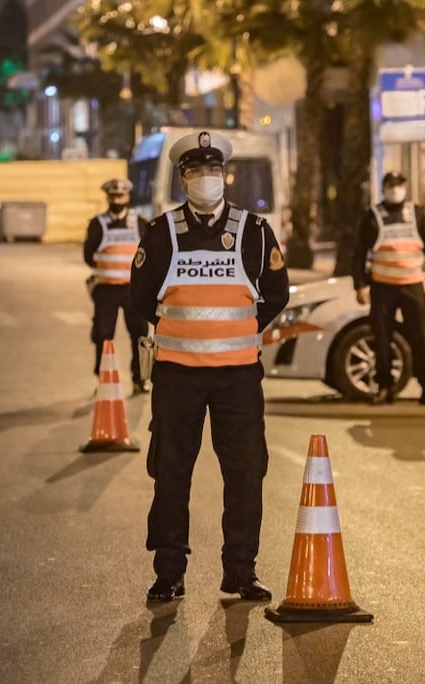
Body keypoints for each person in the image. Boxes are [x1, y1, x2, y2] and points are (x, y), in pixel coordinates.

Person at [128, 130, 290, 603]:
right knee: (172, 473)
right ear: (183, 179)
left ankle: (240, 570)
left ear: (226, 176)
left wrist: (242, 328)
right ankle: (169, 572)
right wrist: (183, 332)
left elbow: (277, 293)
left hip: (237, 378)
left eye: (214, 171)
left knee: (245, 474)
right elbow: (138, 298)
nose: (206, 179)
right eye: (197, 172)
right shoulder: (161, 234)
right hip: (178, 376)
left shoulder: (255, 232)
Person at [352, 171, 425, 406]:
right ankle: (384, 387)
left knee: (421, 337)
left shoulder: (417, 214)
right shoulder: (372, 215)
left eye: (399, 185)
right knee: (382, 339)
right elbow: (359, 253)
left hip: (412, 286)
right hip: (383, 287)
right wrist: (360, 284)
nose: (395, 189)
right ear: (384, 188)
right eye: (391, 185)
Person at [84, 178, 151, 394]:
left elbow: (149, 253)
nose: (117, 200)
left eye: (120, 196)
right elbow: (88, 255)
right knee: (104, 335)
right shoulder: (98, 224)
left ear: (128, 197)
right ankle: (103, 379)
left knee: (140, 335)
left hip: (134, 290)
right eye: (113, 196)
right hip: (106, 290)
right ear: (108, 198)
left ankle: (140, 379)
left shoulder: (140, 222)